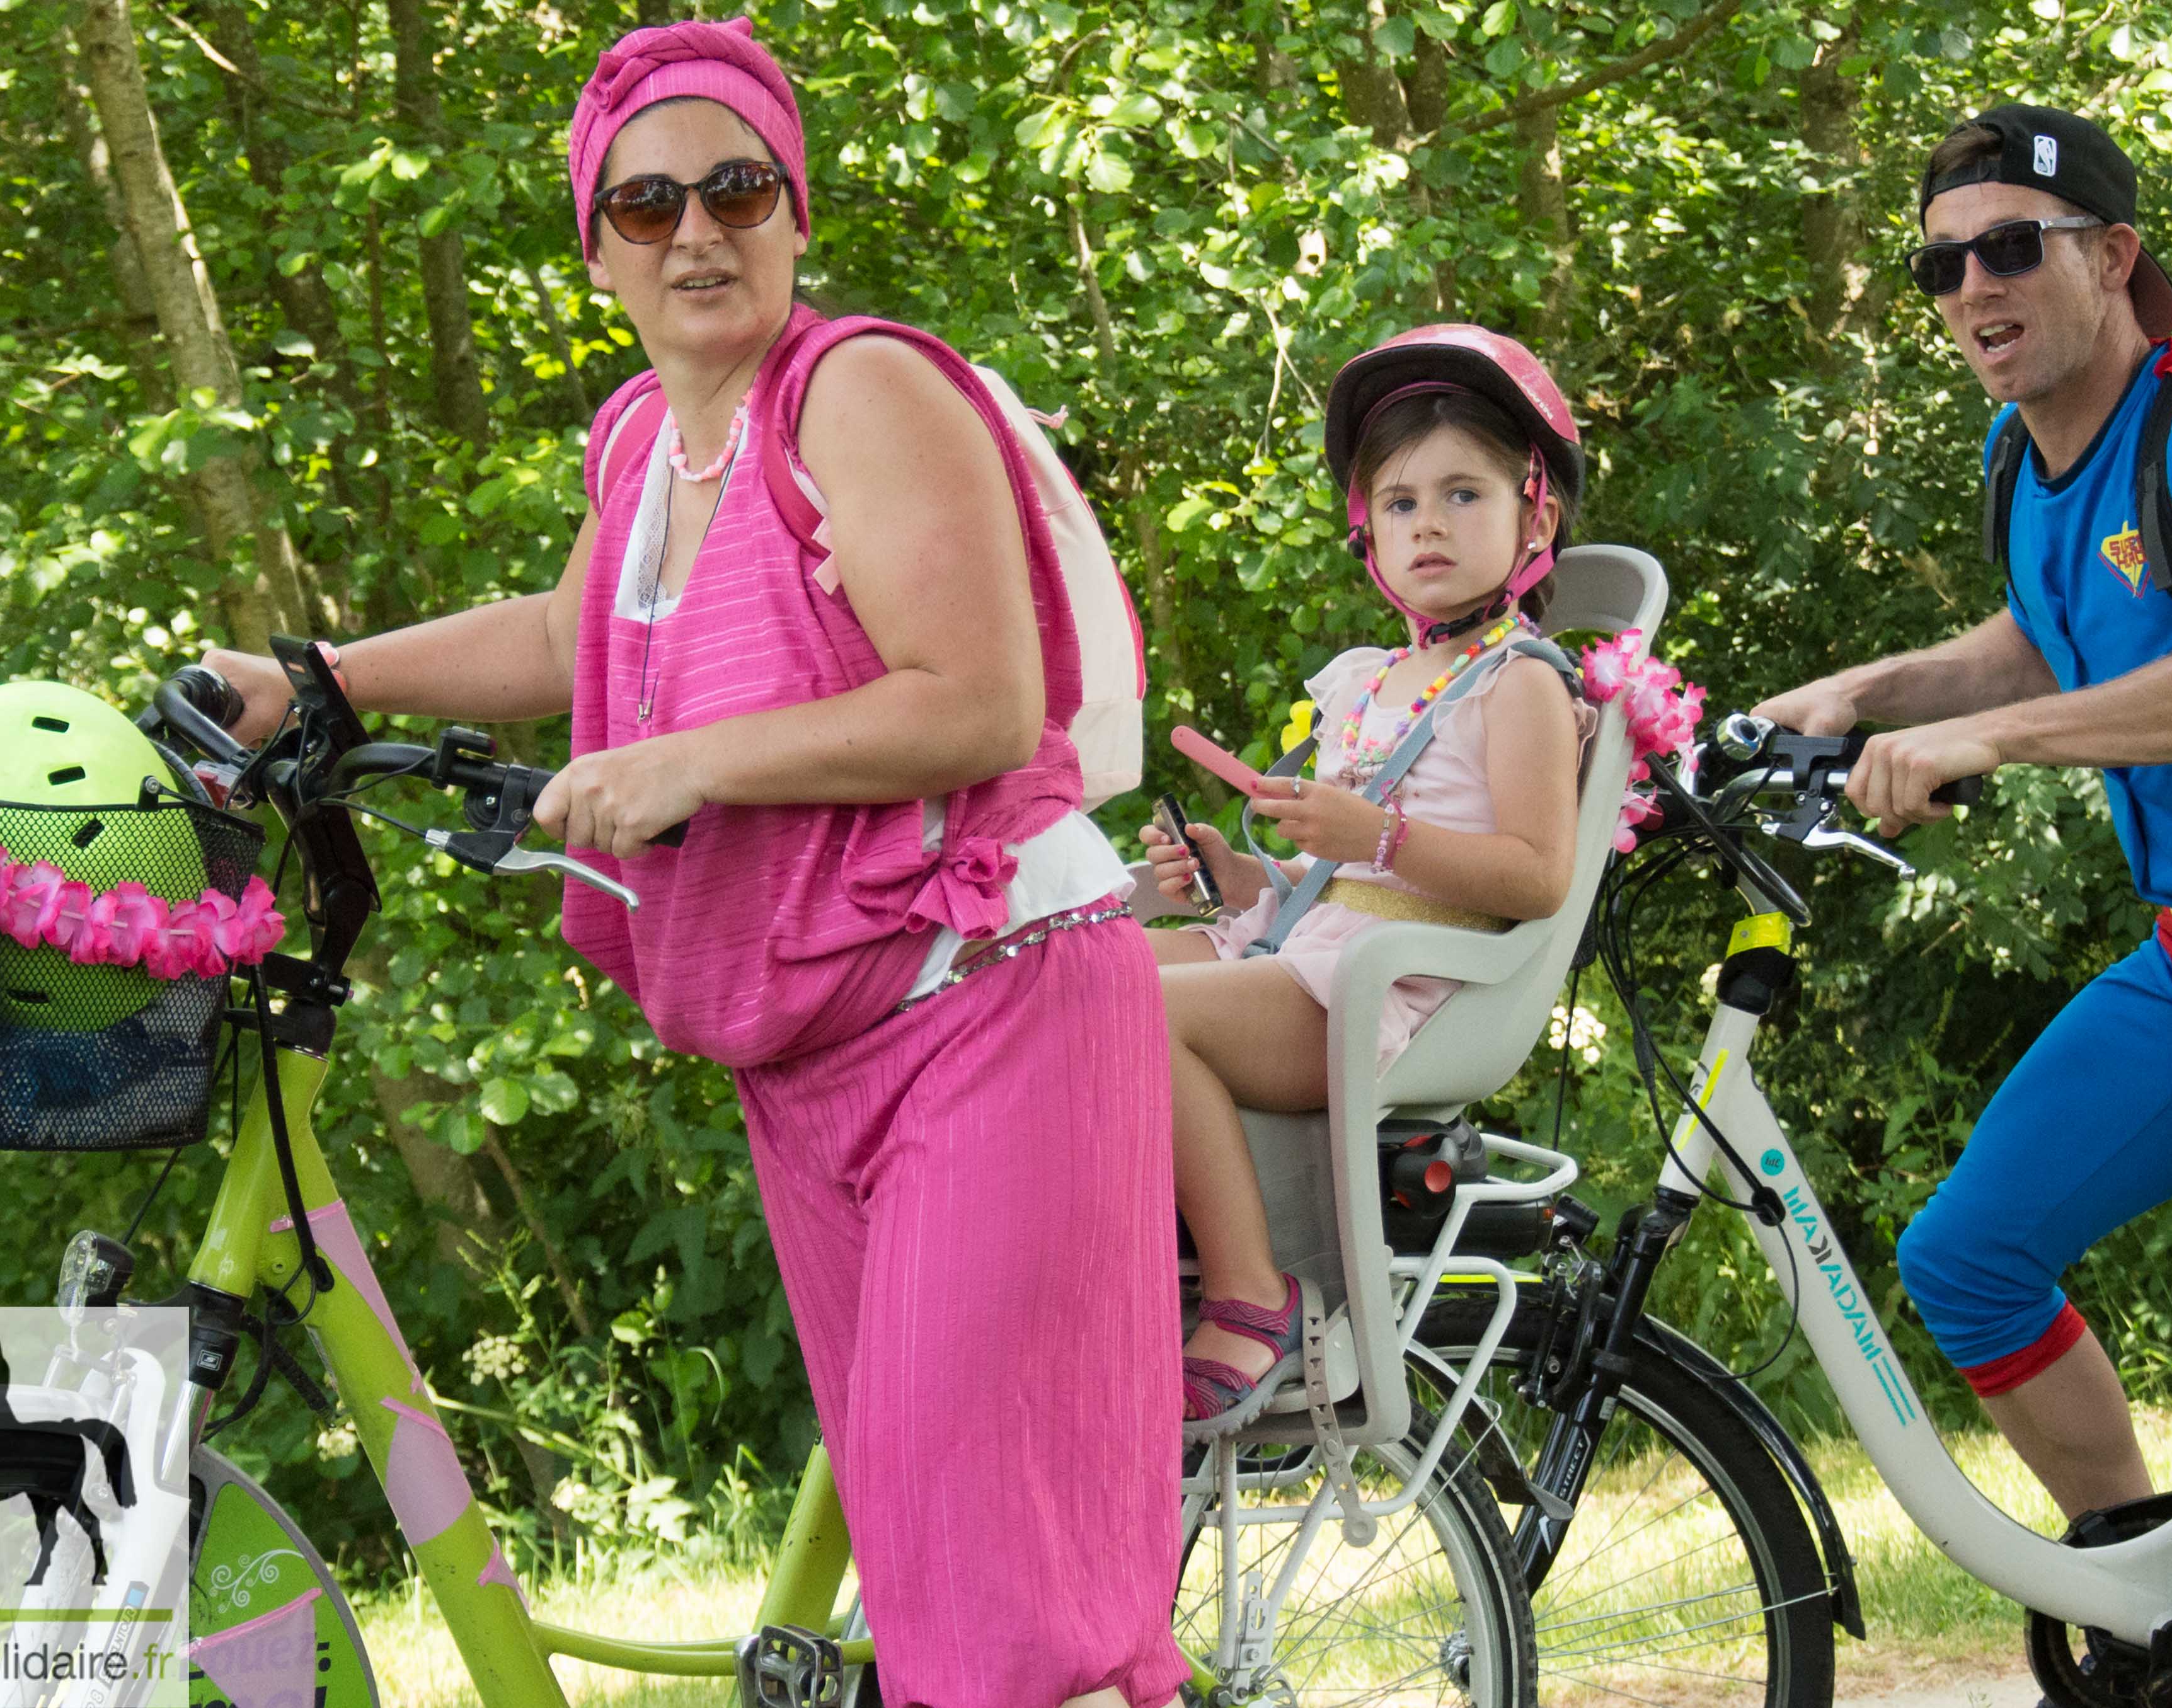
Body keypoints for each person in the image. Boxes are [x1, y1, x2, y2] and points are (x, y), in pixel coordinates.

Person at [202, 20, 1187, 1707]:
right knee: (933, 1578)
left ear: (794, 208)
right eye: (646, 206)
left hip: (988, 1002)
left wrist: (686, 762)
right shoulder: (641, 444)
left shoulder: (858, 388)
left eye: (734, 187)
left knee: (998, 1632)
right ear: (596, 247)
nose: (696, 232)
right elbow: (566, 634)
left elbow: (980, 699)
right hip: (811, 1051)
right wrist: (323, 677)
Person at [1755, 105, 2172, 1527]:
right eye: (1941, 268)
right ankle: (2157, 1617)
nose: (1973, 290)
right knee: (1965, 1257)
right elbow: (2047, 632)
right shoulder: (2018, 457)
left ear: (2112, 257)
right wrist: (1865, 689)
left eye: (2010, 249)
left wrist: (1984, 738)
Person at [1138, 327, 1589, 1435]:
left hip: (1388, 991)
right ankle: (1137, 1253)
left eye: (1461, 494)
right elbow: (1323, 868)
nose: (1426, 523)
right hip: (1316, 946)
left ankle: (1256, 1296)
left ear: (1534, 515)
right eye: (1397, 503)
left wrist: (1374, 835)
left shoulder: (1517, 683)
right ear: (1366, 531)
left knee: (1134, 1010)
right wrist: (1239, 872)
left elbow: (1535, 877)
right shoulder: (1373, 678)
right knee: (1077, 966)